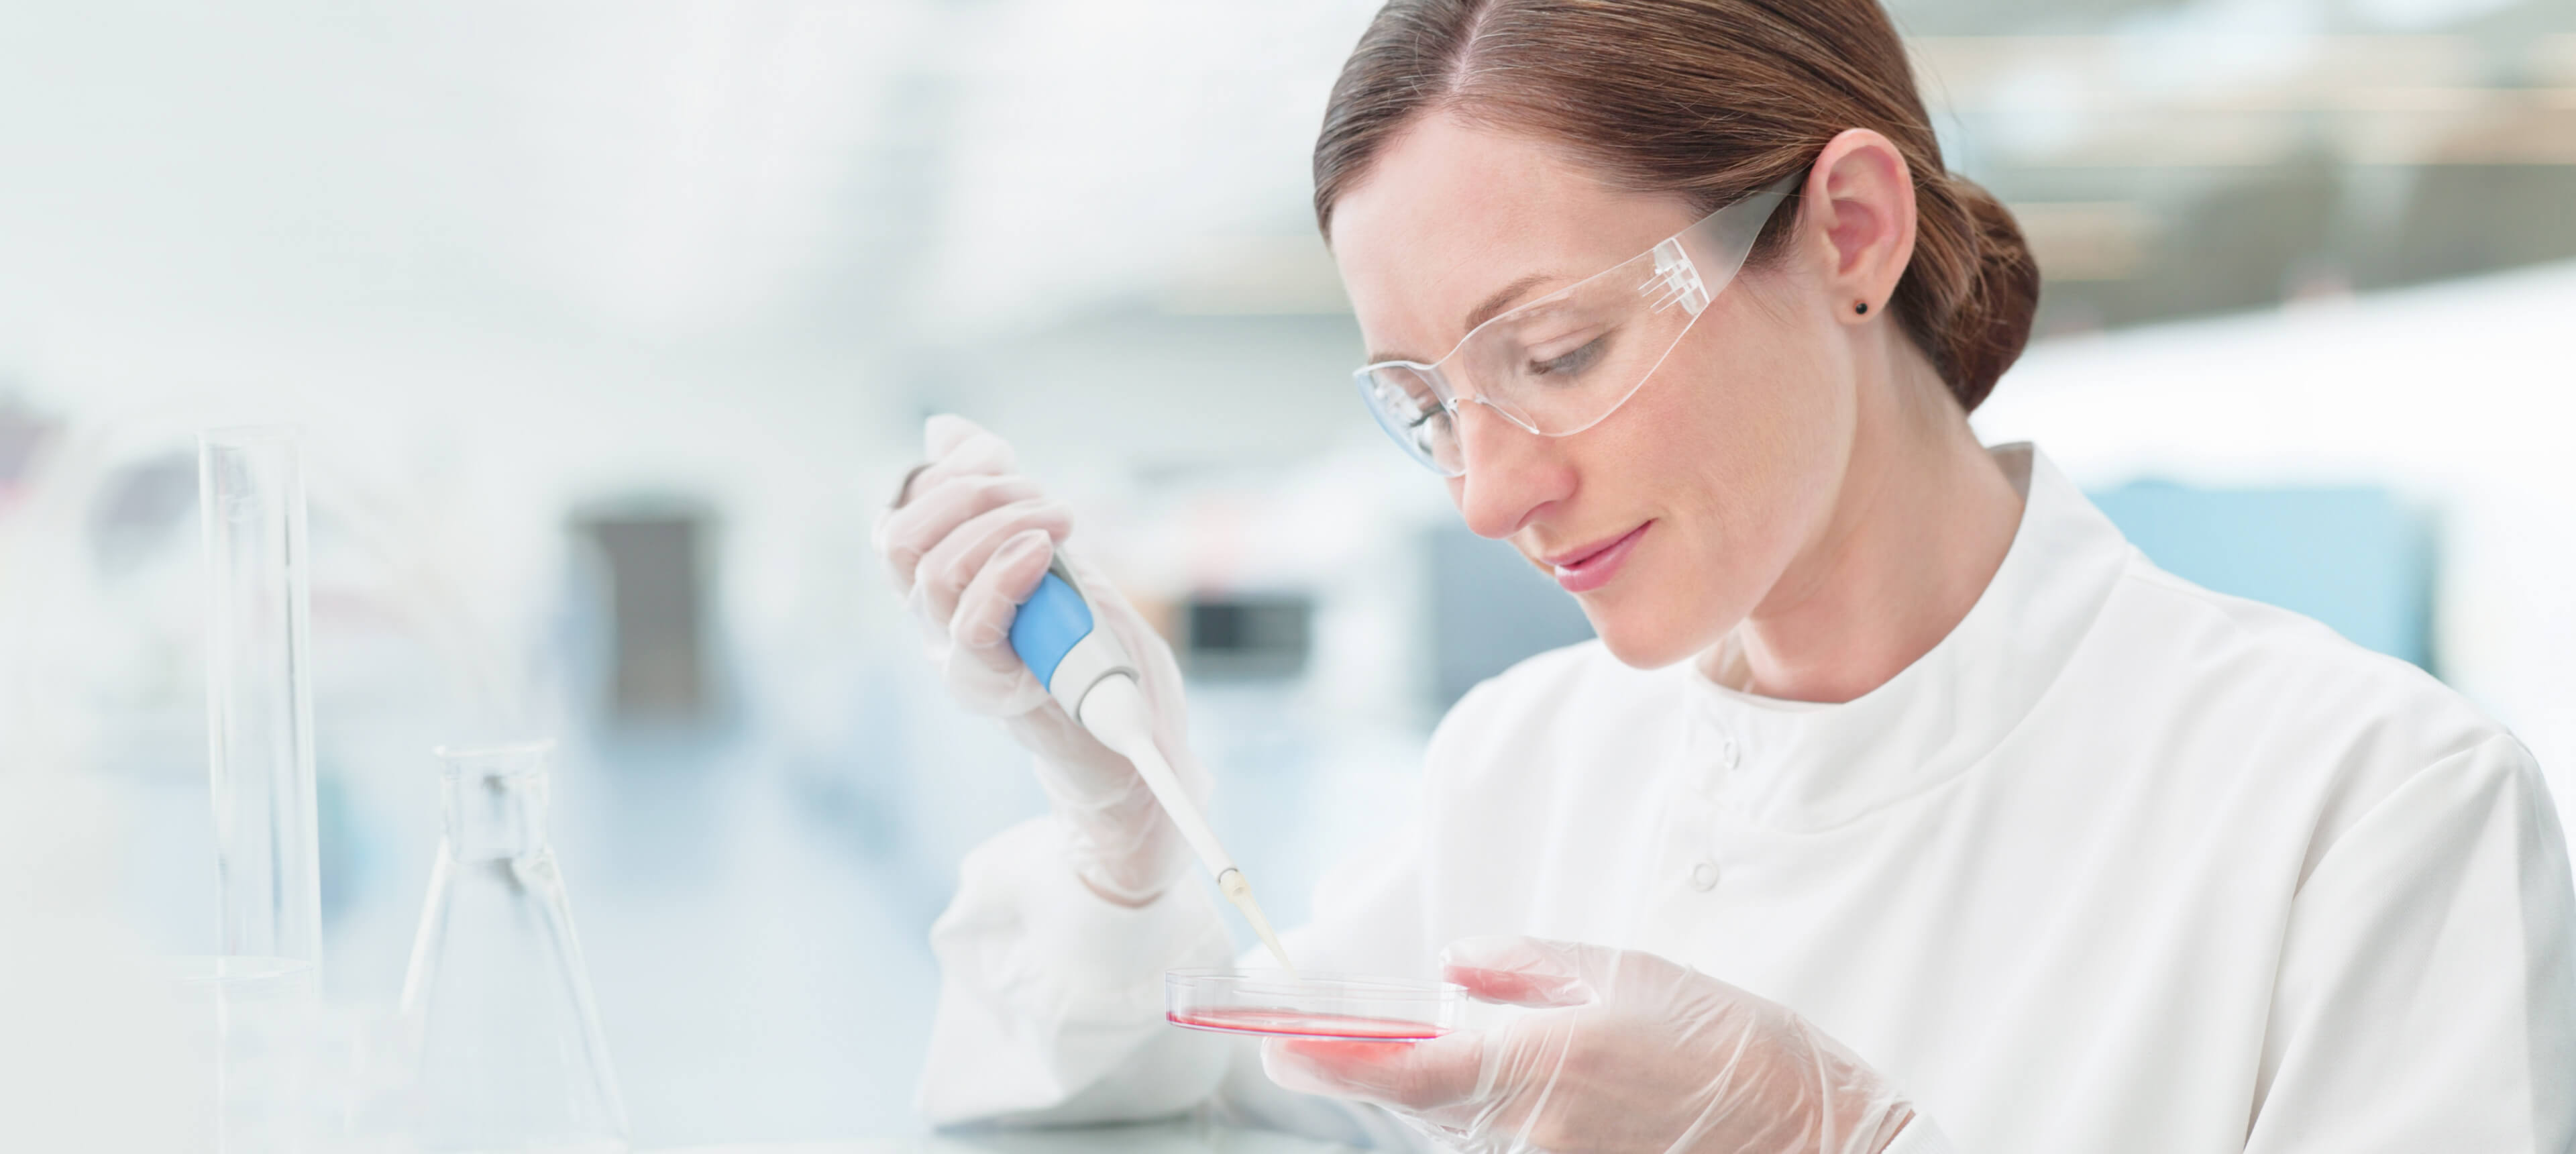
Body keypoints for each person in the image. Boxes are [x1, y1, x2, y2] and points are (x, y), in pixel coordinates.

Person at [873, 1, 2576, 1150]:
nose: (1488, 493)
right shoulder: (1530, 760)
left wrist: (1843, 1135)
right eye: (1428, 404)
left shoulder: (2366, 809)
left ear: (1848, 230)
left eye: (1553, 349)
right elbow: (1181, 1084)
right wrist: (1120, 830)